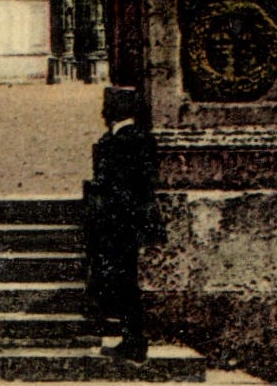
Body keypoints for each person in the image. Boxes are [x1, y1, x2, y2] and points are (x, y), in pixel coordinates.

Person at [85, 87, 163, 362]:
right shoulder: (137, 138)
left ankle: (134, 341)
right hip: (130, 224)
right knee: (124, 283)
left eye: (107, 109)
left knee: (125, 284)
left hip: (122, 224)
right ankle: (131, 339)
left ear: (113, 112)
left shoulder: (123, 140)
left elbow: (122, 186)